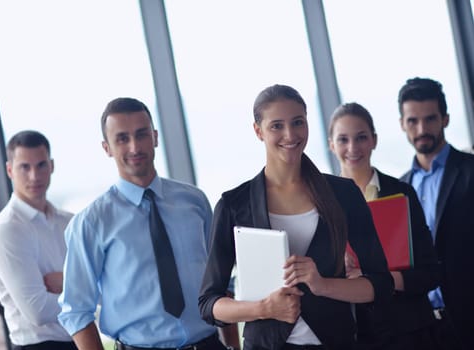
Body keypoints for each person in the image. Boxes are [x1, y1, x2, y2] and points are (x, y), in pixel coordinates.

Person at [199, 84, 393, 350]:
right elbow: (209, 303)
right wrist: (264, 308)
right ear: (258, 131)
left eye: (297, 122)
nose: (290, 134)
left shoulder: (343, 194)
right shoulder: (234, 205)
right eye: (276, 125)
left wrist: (323, 285)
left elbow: (381, 284)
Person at [58, 97, 238, 350]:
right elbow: (75, 311)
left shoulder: (194, 202)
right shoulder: (91, 222)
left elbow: (220, 282)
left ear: (155, 137)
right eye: (122, 138)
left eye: (141, 134)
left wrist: (233, 347)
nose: (134, 147)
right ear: (107, 147)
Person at [328, 102, 440, 349]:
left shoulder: (402, 193)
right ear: (331, 145)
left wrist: (379, 279)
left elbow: (430, 272)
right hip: (355, 335)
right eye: (343, 139)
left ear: (374, 140)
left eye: (361, 138)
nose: (353, 148)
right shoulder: (322, 205)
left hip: (410, 331)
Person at [398, 77, 474, 349]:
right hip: (423, 326)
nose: (421, 129)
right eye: (412, 121)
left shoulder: (470, 170)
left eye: (430, 119)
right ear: (402, 124)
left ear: (445, 119)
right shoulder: (399, 188)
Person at [0, 130, 76, 350]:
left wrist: (65, 282)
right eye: (24, 167)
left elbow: (103, 277)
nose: (34, 176)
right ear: (10, 170)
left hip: (77, 340)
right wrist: (85, 286)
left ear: (51, 166)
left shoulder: (69, 222)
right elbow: (38, 311)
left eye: (41, 165)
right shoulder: (6, 230)